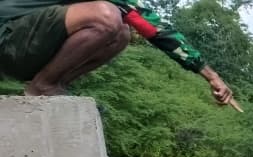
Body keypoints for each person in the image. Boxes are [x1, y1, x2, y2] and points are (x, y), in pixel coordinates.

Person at [0, 0, 234, 101]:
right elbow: (150, 25)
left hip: (28, 45)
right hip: (9, 38)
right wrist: (210, 75)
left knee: (121, 33)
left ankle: (52, 84)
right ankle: (43, 86)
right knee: (107, 16)